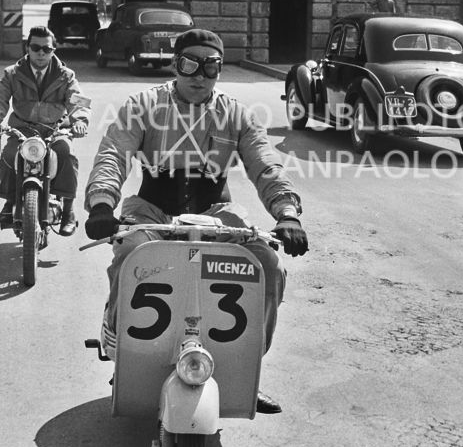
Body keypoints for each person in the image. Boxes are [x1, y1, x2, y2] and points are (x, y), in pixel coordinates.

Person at [83, 28, 309, 415]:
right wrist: (102, 204)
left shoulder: (237, 115)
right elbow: (114, 153)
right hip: (152, 208)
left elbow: (265, 164)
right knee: (131, 253)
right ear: (176, 65)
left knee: (267, 264)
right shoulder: (143, 105)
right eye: (190, 65)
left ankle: (243, 370)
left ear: (220, 70)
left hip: (214, 211)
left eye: (211, 67)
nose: (199, 76)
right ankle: (122, 348)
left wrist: (287, 213)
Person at [0, 25, 90, 235]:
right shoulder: (13, 73)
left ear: (53, 50)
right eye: (36, 48)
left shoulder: (66, 75)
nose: (41, 53)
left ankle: (68, 210)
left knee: (67, 155)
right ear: (28, 48)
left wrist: (80, 121)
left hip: (54, 130)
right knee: (8, 156)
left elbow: (78, 101)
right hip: (22, 130)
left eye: (46, 49)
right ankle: (10, 201)